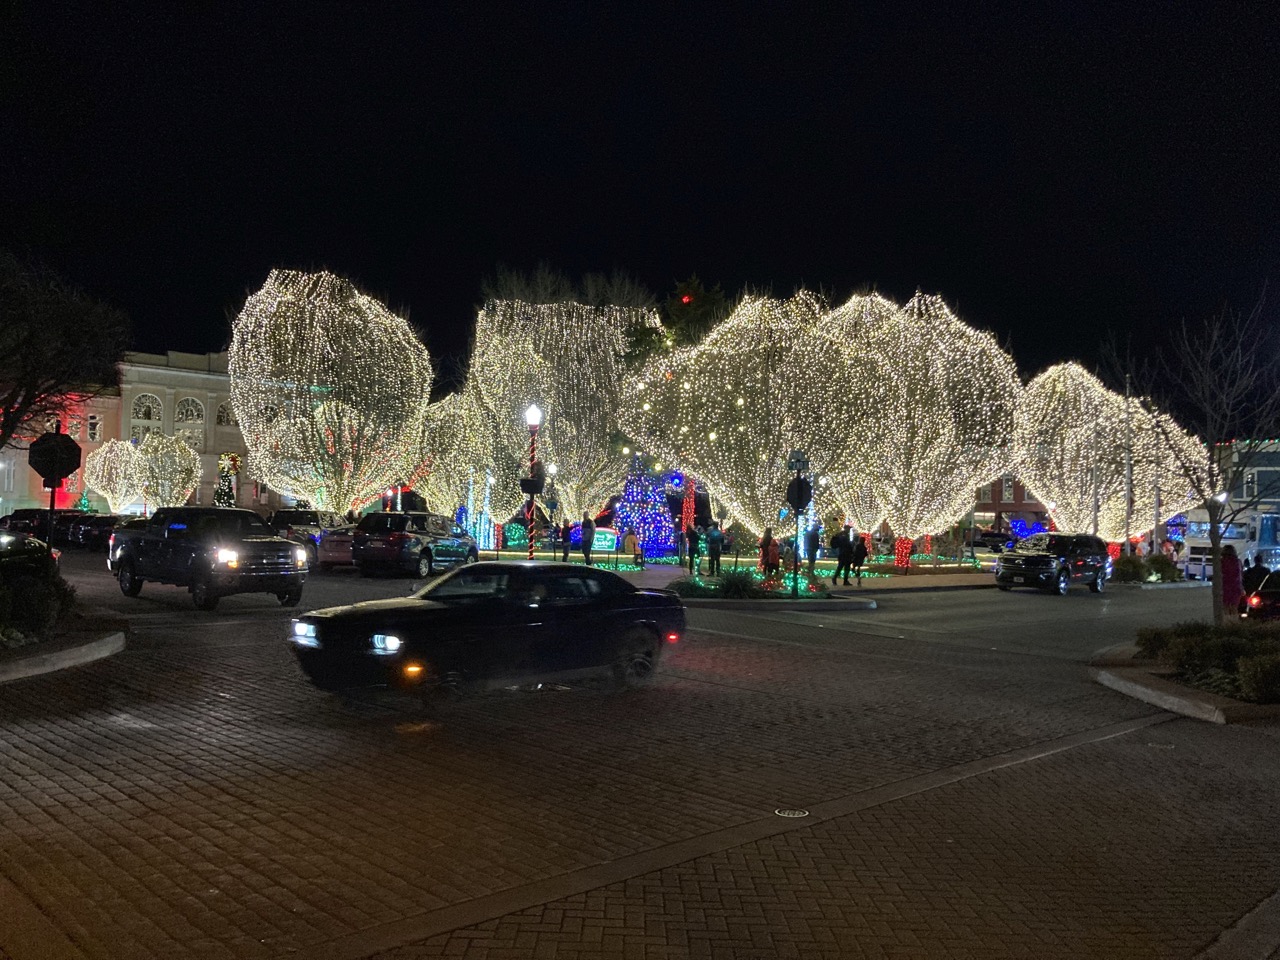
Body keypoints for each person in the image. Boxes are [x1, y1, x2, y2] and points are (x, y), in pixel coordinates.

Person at [1221, 544, 1244, 617]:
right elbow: (1240, 575)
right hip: (1236, 588)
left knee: (1226, 607)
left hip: (1225, 587)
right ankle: (1234, 623)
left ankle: (1227, 623)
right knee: (1234, 607)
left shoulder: (1222, 561)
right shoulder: (1237, 562)